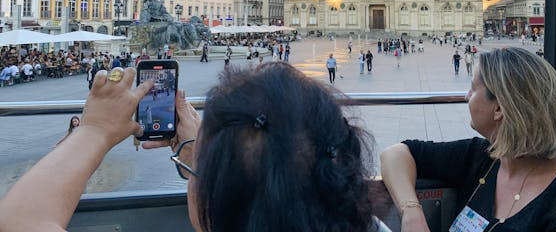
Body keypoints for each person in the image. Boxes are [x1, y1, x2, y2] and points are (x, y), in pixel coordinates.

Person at [0, 64, 380, 232]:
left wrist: (96, 129)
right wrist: (206, 157)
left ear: (213, 204)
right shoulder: (366, 222)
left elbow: (18, 221)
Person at [380, 47, 556, 232]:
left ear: (499, 108)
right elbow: (396, 154)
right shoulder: (488, 157)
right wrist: (412, 213)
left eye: (472, 89)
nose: (465, 96)